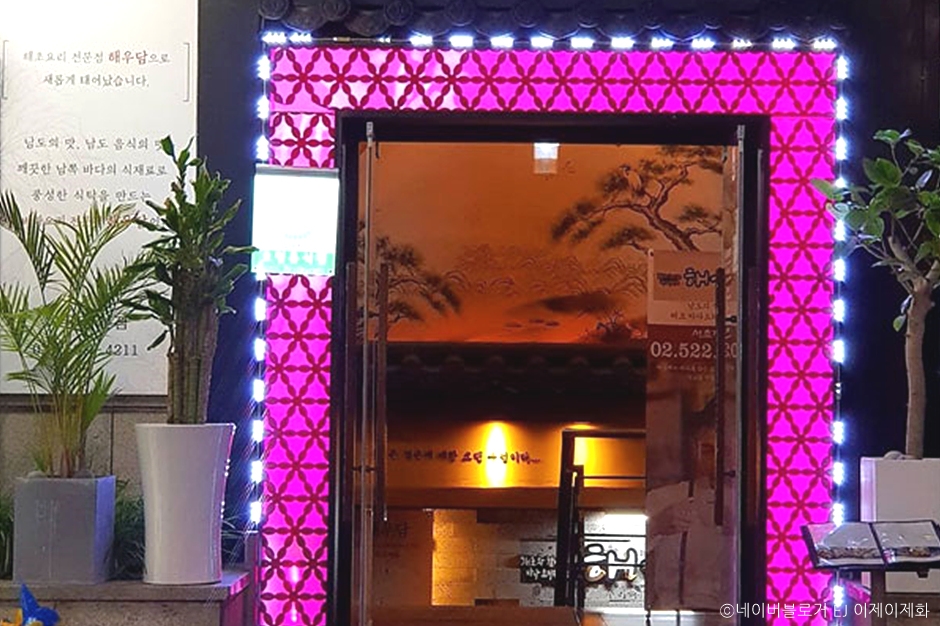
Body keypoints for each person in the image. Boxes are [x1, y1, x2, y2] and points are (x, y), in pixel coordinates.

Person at [645, 417, 732, 610]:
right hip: (671, 615)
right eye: (708, 450)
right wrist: (656, 525)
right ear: (694, 450)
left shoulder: (751, 507)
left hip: (733, 615)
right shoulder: (662, 498)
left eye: (724, 451)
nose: (716, 461)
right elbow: (629, 554)